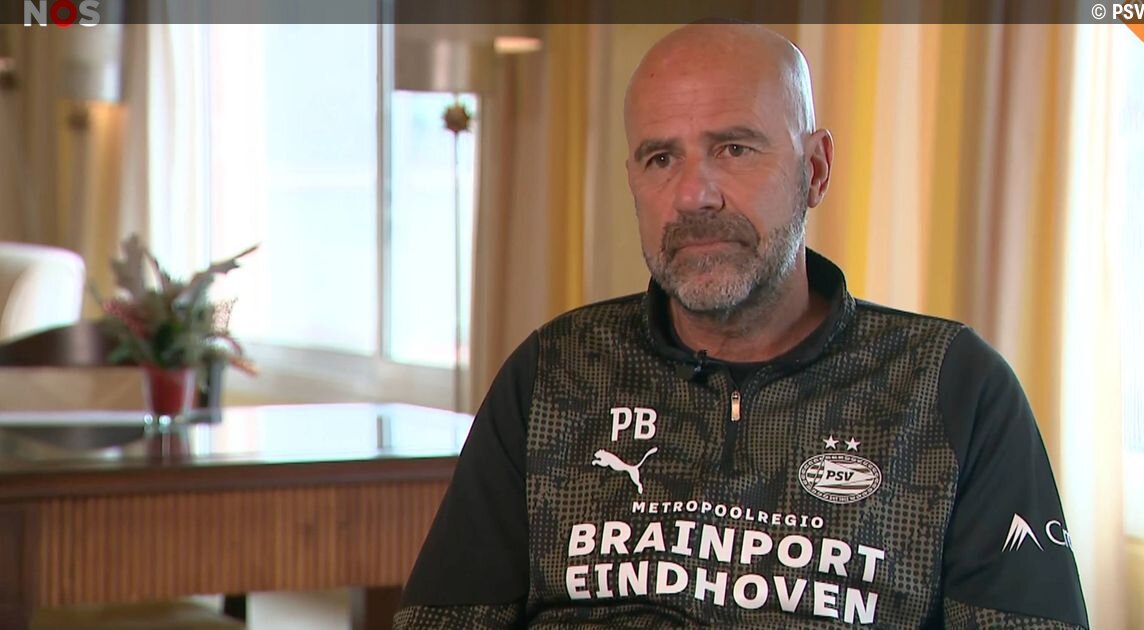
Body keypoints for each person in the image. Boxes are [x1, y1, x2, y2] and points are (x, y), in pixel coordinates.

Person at [395, 22, 1089, 629]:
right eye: (661, 158)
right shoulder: (557, 372)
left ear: (815, 170)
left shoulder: (948, 387)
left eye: (733, 149)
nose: (694, 195)